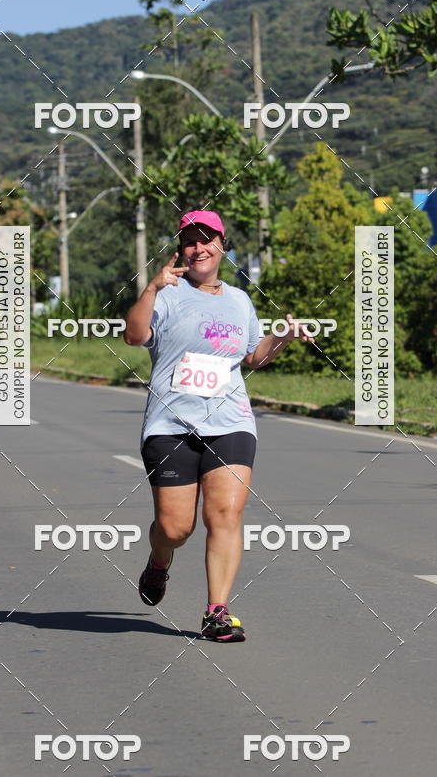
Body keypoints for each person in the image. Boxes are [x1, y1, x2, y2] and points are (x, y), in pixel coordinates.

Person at [125, 211, 313, 642]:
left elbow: (252, 358)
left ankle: (217, 611)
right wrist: (152, 287)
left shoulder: (239, 301)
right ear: (181, 249)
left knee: (225, 513)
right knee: (176, 529)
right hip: (170, 423)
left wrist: (282, 337)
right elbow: (134, 337)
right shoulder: (167, 294)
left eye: (207, 240)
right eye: (191, 241)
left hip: (230, 422)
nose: (199, 248)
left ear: (222, 247)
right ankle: (159, 562)